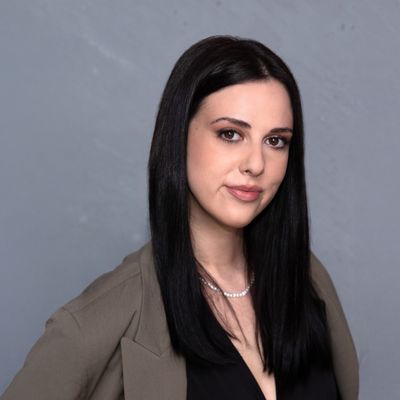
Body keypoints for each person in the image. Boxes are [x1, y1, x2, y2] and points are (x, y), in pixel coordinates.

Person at [1, 35, 359, 400]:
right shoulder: (103, 317)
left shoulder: (308, 279)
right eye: (230, 134)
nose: (256, 164)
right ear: (179, 135)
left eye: (275, 141)